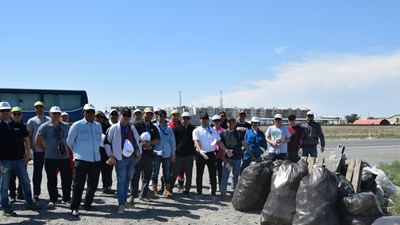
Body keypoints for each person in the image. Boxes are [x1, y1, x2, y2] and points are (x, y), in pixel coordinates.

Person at [0, 101, 42, 217]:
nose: (5, 113)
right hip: (4, 161)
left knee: (26, 182)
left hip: (19, 160)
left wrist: (28, 153)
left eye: (7, 110)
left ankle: (29, 203)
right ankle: (6, 208)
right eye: (2, 111)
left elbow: (26, 139)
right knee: (4, 186)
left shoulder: (19, 124)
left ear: (10, 111)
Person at [66, 103, 102, 217]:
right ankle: (74, 207)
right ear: (84, 113)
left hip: (96, 160)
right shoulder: (77, 125)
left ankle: (87, 204)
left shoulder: (98, 126)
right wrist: (78, 152)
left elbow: (98, 141)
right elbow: (69, 141)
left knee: (93, 184)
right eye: (88, 112)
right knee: (78, 185)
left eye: (92, 112)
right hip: (81, 159)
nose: (90, 114)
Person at [104, 107, 142, 214]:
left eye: (128, 115)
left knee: (127, 180)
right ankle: (121, 204)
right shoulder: (114, 128)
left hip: (132, 159)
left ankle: (124, 201)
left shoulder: (133, 128)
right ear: (120, 116)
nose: (126, 117)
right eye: (124, 115)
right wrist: (110, 155)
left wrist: (139, 154)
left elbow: (138, 141)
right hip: (120, 159)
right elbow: (107, 142)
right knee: (121, 181)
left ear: (130, 117)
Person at [35, 106, 72, 209]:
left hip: (64, 157)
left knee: (67, 179)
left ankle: (66, 199)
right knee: (51, 179)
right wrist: (45, 149)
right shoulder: (44, 126)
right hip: (50, 158)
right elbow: (37, 141)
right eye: (54, 113)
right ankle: (53, 199)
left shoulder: (66, 126)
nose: (56, 115)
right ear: (50, 114)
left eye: (58, 114)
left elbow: (71, 139)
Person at [193, 113, 230, 200]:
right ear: (200, 120)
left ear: (208, 120)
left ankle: (213, 193)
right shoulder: (197, 130)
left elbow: (219, 142)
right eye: (202, 118)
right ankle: (199, 193)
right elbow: (196, 142)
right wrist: (200, 150)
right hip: (201, 154)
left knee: (213, 174)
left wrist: (225, 150)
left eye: (206, 118)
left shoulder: (212, 130)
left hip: (211, 154)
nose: (204, 120)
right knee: (199, 174)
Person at [130, 107, 160, 203]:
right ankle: (133, 195)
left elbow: (157, 139)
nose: (149, 115)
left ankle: (143, 194)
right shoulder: (136, 125)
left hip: (149, 154)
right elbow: (131, 138)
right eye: (147, 114)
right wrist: (140, 144)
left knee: (147, 175)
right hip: (138, 154)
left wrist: (150, 143)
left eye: (151, 114)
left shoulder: (153, 127)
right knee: (135, 174)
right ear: (143, 114)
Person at [220, 116, 250, 196]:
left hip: (237, 158)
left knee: (235, 176)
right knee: (225, 176)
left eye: (233, 122)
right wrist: (223, 158)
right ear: (227, 123)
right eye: (230, 122)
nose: (231, 124)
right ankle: (223, 191)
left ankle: (234, 191)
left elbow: (244, 144)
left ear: (235, 123)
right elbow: (220, 146)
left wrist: (250, 153)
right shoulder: (223, 133)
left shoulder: (239, 133)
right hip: (227, 158)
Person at [27, 101, 51, 201]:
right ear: (35, 109)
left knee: (51, 173)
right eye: (37, 107)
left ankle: (53, 193)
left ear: (44, 108)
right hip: (38, 151)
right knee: (37, 173)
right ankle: (36, 193)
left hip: (50, 151)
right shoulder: (31, 121)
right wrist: (30, 149)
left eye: (41, 107)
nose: (39, 109)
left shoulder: (50, 120)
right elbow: (29, 136)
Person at [170, 112, 196, 196]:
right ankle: (170, 188)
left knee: (189, 174)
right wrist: (173, 153)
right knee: (174, 173)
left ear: (190, 119)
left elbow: (196, 142)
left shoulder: (193, 129)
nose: (186, 120)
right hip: (178, 155)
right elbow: (173, 142)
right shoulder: (177, 129)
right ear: (181, 119)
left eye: (187, 118)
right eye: (184, 118)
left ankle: (187, 189)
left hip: (189, 156)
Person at [152, 109, 176, 198]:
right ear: (157, 116)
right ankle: (154, 190)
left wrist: (173, 154)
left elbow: (173, 142)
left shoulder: (169, 128)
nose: (162, 118)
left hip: (167, 153)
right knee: (155, 172)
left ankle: (166, 190)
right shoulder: (154, 127)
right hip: (156, 153)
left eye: (164, 116)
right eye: (160, 116)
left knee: (166, 173)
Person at [95, 110, 114, 194]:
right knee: (94, 171)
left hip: (105, 151)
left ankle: (107, 187)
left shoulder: (108, 126)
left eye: (101, 117)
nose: (99, 118)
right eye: (97, 117)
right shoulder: (92, 126)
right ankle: (92, 187)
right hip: (95, 152)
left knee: (107, 171)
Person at [9, 106, 25, 202]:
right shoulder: (7, 125)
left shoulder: (23, 126)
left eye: (18, 114)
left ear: (21, 115)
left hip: (21, 156)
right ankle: (12, 194)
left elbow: (26, 139)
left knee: (22, 177)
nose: (16, 115)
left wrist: (28, 153)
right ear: (11, 114)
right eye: (14, 113)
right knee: (11, 177)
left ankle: (20, 193)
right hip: (9, 156)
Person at [211, 115, 225, 191]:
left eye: (218, 121)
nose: (217, 122)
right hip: (212, 153)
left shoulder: (223, 130)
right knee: (212, 171)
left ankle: (220, 185)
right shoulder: (210, 130)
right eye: (215, 121)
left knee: (220, 171)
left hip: (220, 153)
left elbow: (224, 142)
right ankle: (212, 185)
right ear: (213, 122)